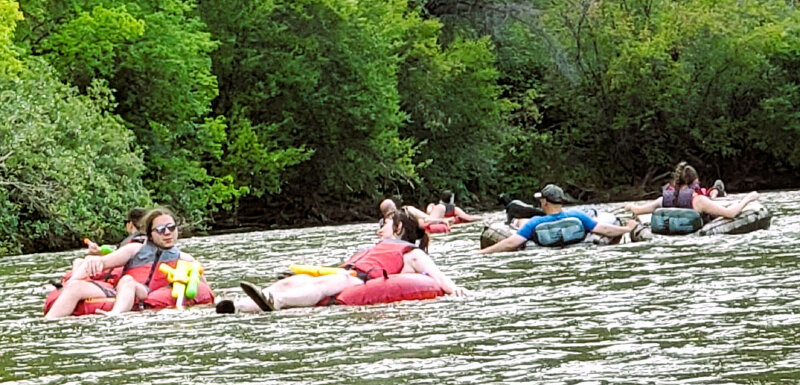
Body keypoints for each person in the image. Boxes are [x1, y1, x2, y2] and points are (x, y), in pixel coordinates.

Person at [236, 209, 467, 312]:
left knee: (328, 283)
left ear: (397, 228)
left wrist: (455, 289)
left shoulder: (412, 253)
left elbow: (437, 276)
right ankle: (239, 306)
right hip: (346, 274)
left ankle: (279, 302)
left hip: (358, 280)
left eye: (383, 225)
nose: (379, 230)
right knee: (295, 280)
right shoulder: (373, 248)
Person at [45, 208, 210, 318]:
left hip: (145, 292)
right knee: (76, 288)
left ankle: (115, 314)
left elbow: (205, 289)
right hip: (119, 290)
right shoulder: (135, 249)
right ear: (150, 234)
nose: (167, 233)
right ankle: (48, 323)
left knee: (128, 281)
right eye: (160, 230)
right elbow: (104, 262)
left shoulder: (185, 258)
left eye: (171, 228)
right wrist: (94, 262)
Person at [480, 184, 639, 254]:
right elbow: (604, 229)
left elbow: (511, 243)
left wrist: (483, 253)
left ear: (543, 202)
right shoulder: (577, 215)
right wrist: (627, 229)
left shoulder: (535, 222)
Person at [625, 162, 757, 221]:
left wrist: (629, 206)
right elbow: (731, 213)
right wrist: (748, 199)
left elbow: (637, 210)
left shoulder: (664, 199)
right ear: (695, 182)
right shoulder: (699, 200)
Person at [380, 198, 449, 235]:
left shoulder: (383, 224)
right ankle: (430, 208)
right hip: (425, 222)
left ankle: (430, 208)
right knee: (440, 207)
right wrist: (442, 220)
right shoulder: (407, 211)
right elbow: (425, 221)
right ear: (394, 207)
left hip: (421, 223)